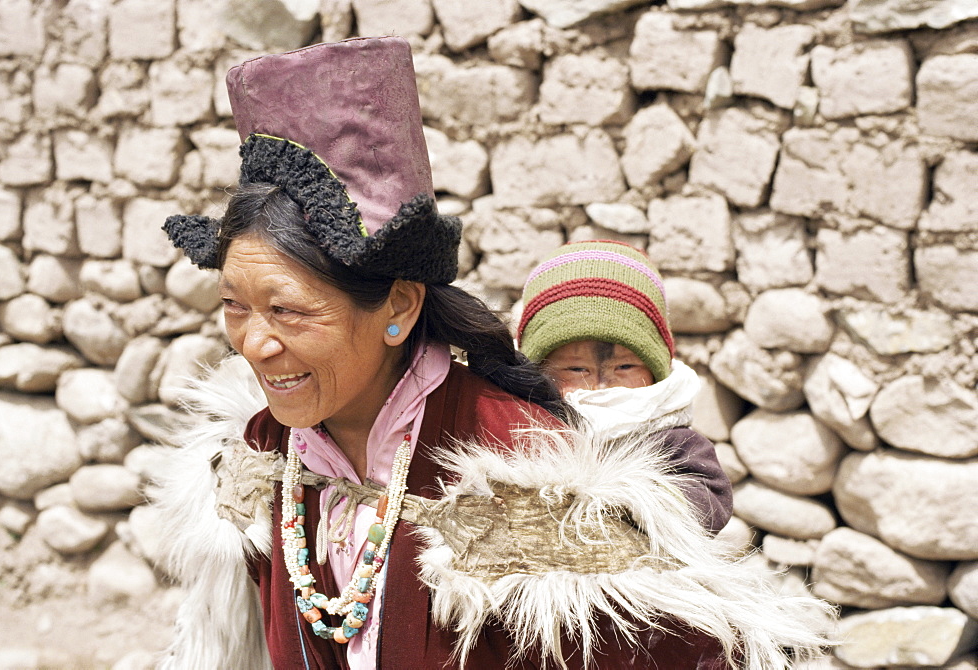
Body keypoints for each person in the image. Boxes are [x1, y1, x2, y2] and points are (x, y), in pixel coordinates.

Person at [154, 36, 831, 670]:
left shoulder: (523, 471)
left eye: (288, 310)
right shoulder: (260, 456)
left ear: (397, 306)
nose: (254, 342)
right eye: (233, 306)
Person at [516, 240, 732, 534]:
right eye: (576, 369)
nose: (601, 385)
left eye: (625, 367)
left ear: (656, 370)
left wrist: (631, 504)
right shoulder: (522, 426)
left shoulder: (668, 438)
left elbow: (710, 499)